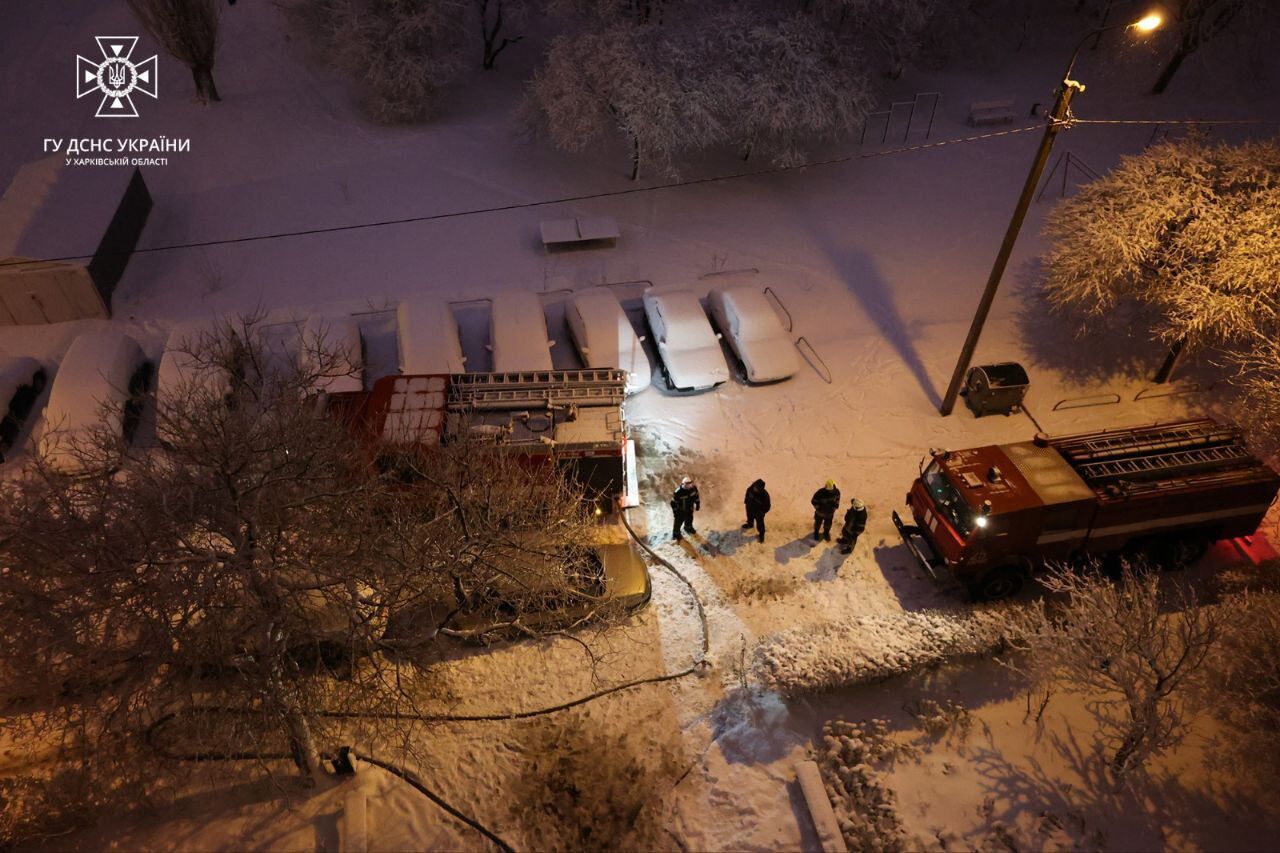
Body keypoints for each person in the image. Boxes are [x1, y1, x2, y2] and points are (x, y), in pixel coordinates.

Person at [671, 476, 700, 541]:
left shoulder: (694, 488)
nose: (688, 486)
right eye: (687, 485)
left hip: (690, 508)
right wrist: (675, 512)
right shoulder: (678, 492)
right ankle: (676, 534)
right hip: (681, 510)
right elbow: (673, 503)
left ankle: (688, 527)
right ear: (683, 484)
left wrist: (697, 504)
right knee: (678, 522)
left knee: (689, 519)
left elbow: (696, 497)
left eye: (690, 484)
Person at [742, 479, 771, 543]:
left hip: (759, 512)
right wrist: (746, 501)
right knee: (749, 517)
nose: (755, 489)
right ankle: (750, 524)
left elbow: (768, 506)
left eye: (757, 488)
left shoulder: (765, 495)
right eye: (755, 486)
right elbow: (747, 495)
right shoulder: (750, 489)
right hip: (750, 507)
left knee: (760, 524)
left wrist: (762, 512)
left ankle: (761, 534)